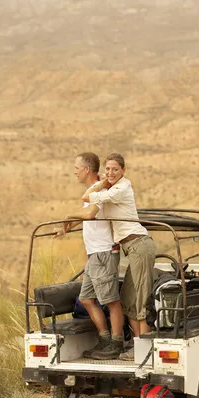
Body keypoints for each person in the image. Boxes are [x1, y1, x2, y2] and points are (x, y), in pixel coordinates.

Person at [82, 152, 155, 360]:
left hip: (139, 244)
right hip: (131, 248)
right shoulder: (114, 189)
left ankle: (143, 348)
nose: (111, 172)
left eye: (115, 169)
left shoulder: (122, 188)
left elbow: (87, 197)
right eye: (107, 169)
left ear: (123, 170)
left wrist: (103, 182)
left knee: (141, 297)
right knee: (128, 298)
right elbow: (93, 213)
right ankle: (136, 343)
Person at [56, 152, 125, 359]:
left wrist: (69, 216)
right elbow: (88, 216)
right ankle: (105, 339)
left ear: (87, 169)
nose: (74, 172)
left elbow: (90, 214)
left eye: (77, 168)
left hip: (103, 252)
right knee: (86, 298)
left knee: (111, 300)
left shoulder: (101, 190)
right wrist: (67, 228)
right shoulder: (93, 190)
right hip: (95, 254)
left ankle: (116, 343)